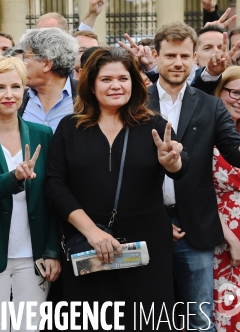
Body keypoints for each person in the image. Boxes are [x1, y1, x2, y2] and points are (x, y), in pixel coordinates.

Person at [46, 47, 189, 330]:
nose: (116, 86)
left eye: (123, 79)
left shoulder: (154, 125)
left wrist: (171, 161)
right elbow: (55, 185)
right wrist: (92, 232)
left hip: (146, 250)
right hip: (89, 246)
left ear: (134, 83)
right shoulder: (70, 128)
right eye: (106, 79)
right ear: (91, 84)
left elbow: (182, 166)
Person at [147, 22, 240, 330]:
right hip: (146, 225)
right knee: (149, 318)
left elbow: (235, 152)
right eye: (171, 55)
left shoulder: (210, 105)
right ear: (156, 56)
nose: (178, 62)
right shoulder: (136, 102)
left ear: (194, 60)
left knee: (200, 321)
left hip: (195, 230)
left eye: (185, 56)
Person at [0, 56, 60, 332]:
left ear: (24, 90)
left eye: (15, 87)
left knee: (29, 327)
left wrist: (53, 249)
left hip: (34, 255)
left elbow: (55, 195)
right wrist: (14, 178)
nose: (9, 95)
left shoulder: (44, 134)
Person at [211, 66, 240, 331]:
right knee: (227, 310)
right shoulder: (203, 135)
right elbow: (200, 195)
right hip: (223, 237)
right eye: (236, 93)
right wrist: (232, 241)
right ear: (218, 92)